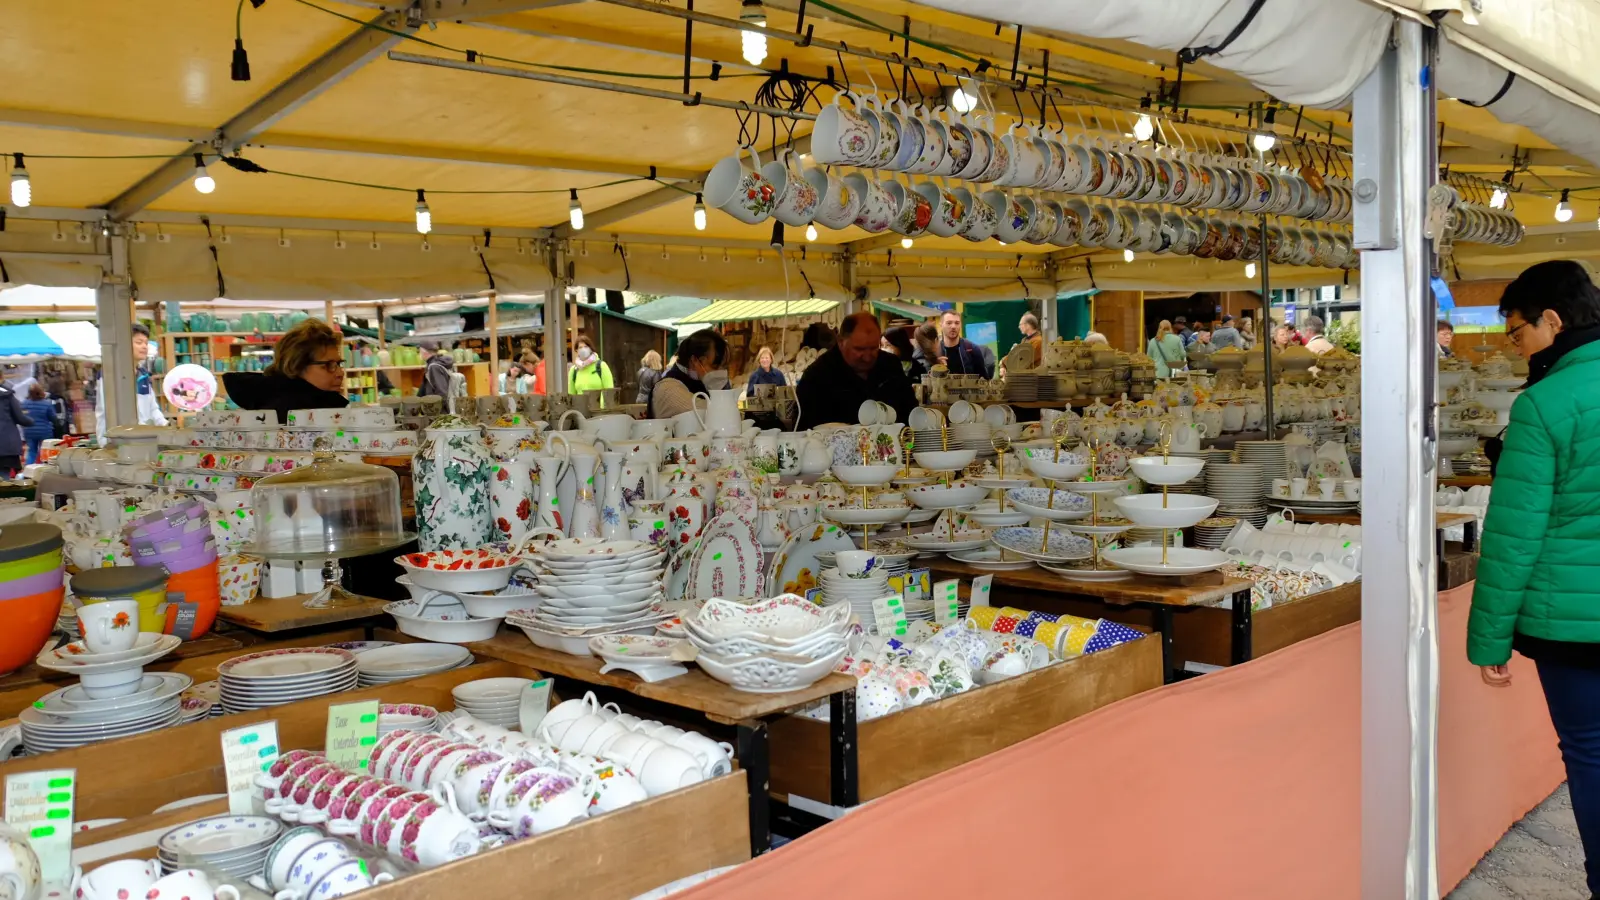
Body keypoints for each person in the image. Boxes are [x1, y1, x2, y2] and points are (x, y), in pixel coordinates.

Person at [1469, 260, 1600, 897]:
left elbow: (1514, 537)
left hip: (1574, 623)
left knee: (1592, 755)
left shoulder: (1544, 405)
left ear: (1554, 320)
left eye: (1517, 331)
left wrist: (1489, 642)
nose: (1516, 345)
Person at [796, 312, 916, 430]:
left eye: (874, 348)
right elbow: (804, 430)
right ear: (841, 342)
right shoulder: (817, 377)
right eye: (859, 349)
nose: (867, 357)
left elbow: (911, 412)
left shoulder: (891, 365)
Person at [222, 319, 349, 424]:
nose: (339, 373)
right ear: (297, 366)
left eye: (338, 364)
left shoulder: (268, 401)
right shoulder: (296, 415)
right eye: (328, 365)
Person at [95, 323, 166, 444]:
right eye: (139, 343)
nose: (144, 346)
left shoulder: (143, 375)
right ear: (125, 345)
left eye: (146, 343)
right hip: (116, 441)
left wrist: (166, 426)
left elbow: (153, 408)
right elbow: (109, 410)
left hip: (143, 439)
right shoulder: (111, 374)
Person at [649, 329, 728, 419]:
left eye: (724, 366)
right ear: (695, 361)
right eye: (715, 365)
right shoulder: (667, 388)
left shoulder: (700, 382)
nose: (721, 371)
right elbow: (719, 415)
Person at [936, 311, 992, 378]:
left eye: (957, 323)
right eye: (949, 323)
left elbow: (983, 379)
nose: (953, 326)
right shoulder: (935, 351)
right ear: (941, 325)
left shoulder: (971, 349)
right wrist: (935, 366)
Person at [19, 384, 52, 466]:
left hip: (29, 431)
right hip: (44, 431)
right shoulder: (46, 404)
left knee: (31, 451)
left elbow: (21, 417)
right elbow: (53, 417)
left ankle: (28, 469)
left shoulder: (24, 404)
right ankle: (42, 469)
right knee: (43, 450)